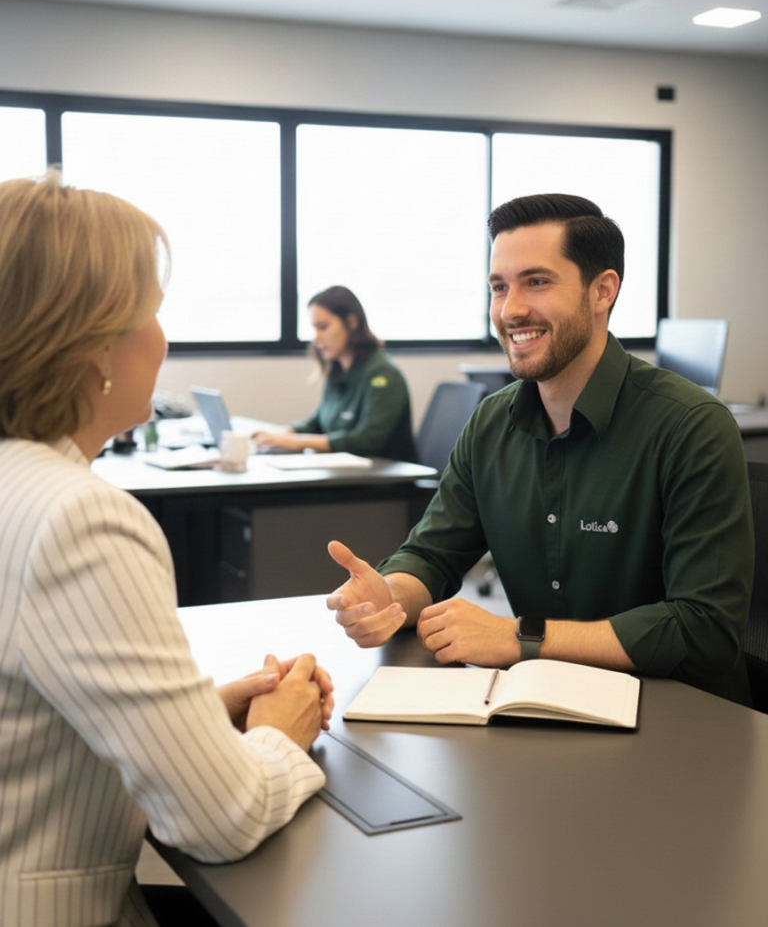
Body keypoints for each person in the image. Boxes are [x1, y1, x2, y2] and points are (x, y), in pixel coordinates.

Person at [0, 173, 334, 927]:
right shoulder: (79, 519)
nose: (164, 337)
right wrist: (280, 732)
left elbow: (25, 717)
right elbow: (219, 819)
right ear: (96, 348)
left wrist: (195, 719)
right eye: (152, 312)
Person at [326, 193, 754, 705]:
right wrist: (391, 595)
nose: (511, 310)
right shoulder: (491, 423)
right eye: (499, 287)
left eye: (537, 282)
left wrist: (521, 638)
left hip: (682, 715)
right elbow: (431, 554)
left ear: (602, 291)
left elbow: (705, 629)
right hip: (546, 704)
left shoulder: (690, 425)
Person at [253, 285, 417, 462]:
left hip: (383, 475)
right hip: (347, 472)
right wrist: (283, 434)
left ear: (352, 322)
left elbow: (367, 442)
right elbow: (319, 422)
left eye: (323, 327)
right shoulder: (338, 369)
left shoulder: (383, 375)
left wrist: (297, 443)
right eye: (314, 329)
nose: (316, 338)